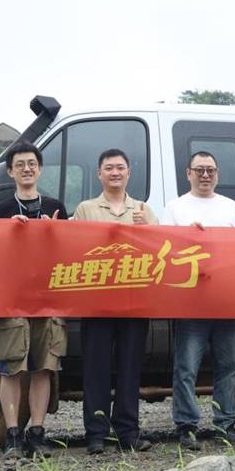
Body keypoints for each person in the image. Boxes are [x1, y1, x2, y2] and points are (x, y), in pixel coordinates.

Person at [0, 142, 69, 460]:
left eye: (32, 163)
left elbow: (69, 252)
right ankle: (13, 434)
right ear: (10, 172)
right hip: (12, 299)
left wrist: (54, 231)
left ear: (40, 169)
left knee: (44, 368)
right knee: (12, 368)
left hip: (48, 298)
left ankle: (37, 432)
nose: (26, 168)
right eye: (20, 164)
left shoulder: (56, 206)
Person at [73, 148, 158, 453]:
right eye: (109, 168)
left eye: (120, 167)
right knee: (95, 369)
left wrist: (145, 231)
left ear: (128, 172)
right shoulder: (85, 209)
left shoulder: (143, 210)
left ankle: (128, 432)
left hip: (135, 301)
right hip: (97, 303)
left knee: (130, 368)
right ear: (99, 174)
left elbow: (159, 252)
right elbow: (75, 248)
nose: (115, 173)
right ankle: (95, 433)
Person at [161, 151, 235, 450]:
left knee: (228, 365)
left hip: (226, 299)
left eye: (211, 170)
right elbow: (165, 250)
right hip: (190, 301)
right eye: (199, 170)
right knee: (186, 366)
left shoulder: (232, 207)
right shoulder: (175, 208)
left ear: (218, 174)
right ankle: (186, 425)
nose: (205, 175)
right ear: (188, 173)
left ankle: (226, 424)